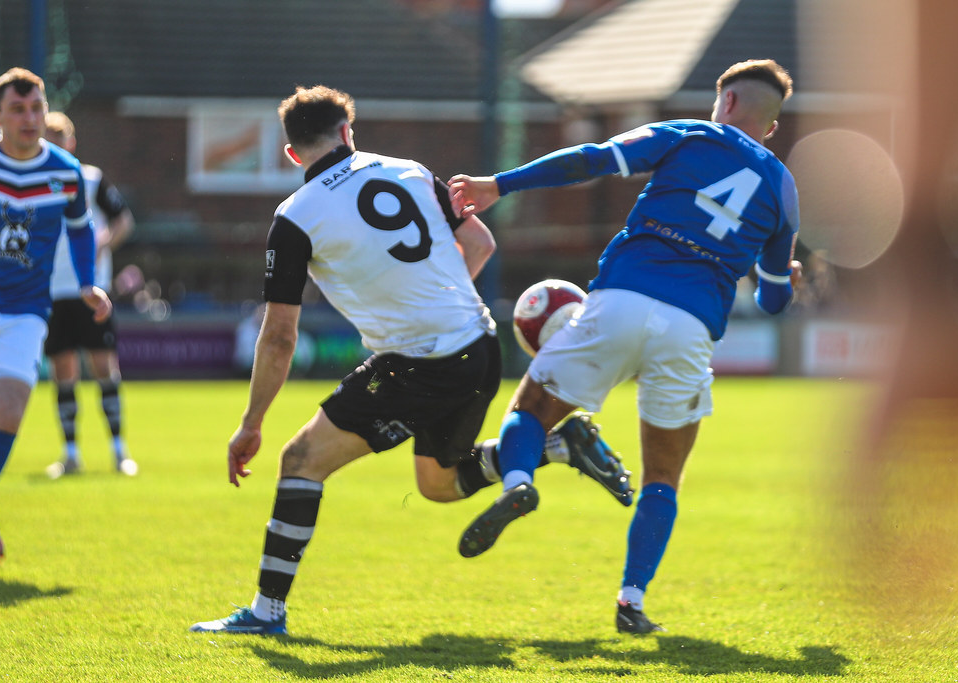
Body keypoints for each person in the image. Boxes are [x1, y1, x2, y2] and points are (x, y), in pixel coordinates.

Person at [190, 85, 631, 635]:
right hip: (478, 347)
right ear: (348, 133)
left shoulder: (294, 216)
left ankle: (265, 612)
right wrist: (432, 302)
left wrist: (250, 423)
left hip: (417, 364)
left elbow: (279, 336)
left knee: (300, 460)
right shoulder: (411, 171)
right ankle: (562, 445)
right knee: (438, 483)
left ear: (291, 154)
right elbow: (480, 244)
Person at [449, 59, 803, 634]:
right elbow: (772, 303)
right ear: (771, 125)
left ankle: (518, 484)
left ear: (728, 104)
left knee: (533, 410)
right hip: (690, 329)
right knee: (663, 475)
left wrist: (499, 185)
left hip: (623, 299)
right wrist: (779, 275)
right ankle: (631, 602)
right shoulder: (783, 189)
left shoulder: (690, 133)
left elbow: (591, 159)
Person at [0, 68, 111, 568]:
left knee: (9, 410)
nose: (29, 118)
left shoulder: (66, 171)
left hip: (25, 310)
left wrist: (87, 281)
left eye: (37, 108)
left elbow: (82, 231)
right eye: (18, 109)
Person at [42, 111, 137, 478]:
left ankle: (118, 451)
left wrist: (102, 242)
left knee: (103, 369)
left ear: (71, 142)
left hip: (90, 291)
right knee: (62, 372)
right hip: (51, 292)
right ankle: (70, 453)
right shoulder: (34, 182)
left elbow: (123, 220)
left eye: (57, 139)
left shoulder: (91, 179)